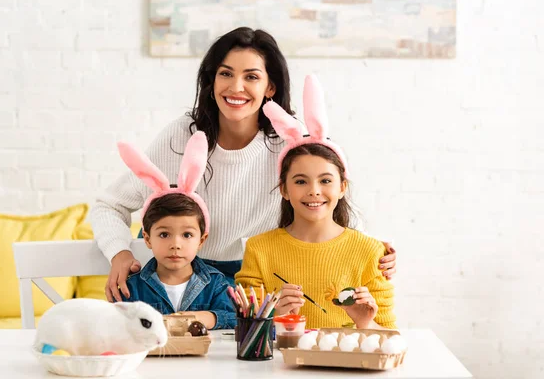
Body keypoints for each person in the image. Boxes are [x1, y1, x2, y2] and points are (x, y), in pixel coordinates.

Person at [91, 27, 397, 303]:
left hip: (264, 281)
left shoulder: (288, 141)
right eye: (225, 74)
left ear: (270, 87)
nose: (236, 87)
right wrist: (119, 254)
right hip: (184, 278)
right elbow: (110, 205)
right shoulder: (181, 136)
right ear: (211, 82)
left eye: (251, 76)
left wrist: (368, 250)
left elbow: (323, 198)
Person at [235, 75, 395, 329]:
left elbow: (390, 336)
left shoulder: (371, 251)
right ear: (284, 189)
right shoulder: (258, 249)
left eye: (325, 181)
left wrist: (365, 323)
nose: (314, 191)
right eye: (300, 181)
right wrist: (272, 317)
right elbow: (242, 333)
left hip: (344, 367)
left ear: (342, 187)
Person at [118, 132, 235, 330]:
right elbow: (114, 325)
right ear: (147, 238)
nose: (175, 244)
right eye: (164, 234)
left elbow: (234, 318)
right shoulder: (132, 288)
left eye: (187, 235)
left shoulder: (215, 284)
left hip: (203, 360)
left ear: (201, 239)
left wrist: (205, 317)